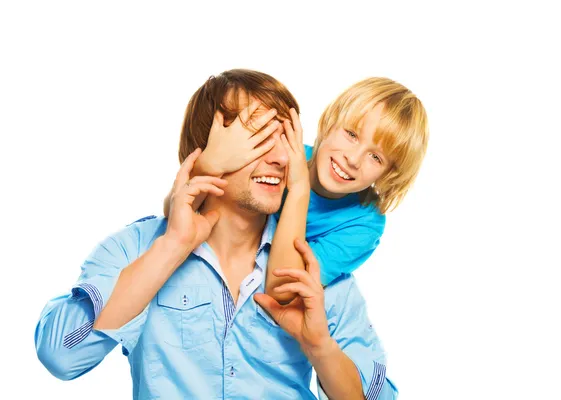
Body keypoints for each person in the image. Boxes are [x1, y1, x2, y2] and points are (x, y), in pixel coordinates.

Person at [35, 69, 398, 399]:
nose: (281, 158)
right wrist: (172, 248)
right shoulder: (140, 247)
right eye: (258, 137)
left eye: (285, 139)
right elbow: (62, 357)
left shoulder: (313, 272)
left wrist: (321, 347)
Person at [163, 74, 429, 304]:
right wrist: (208, 165)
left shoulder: (365, 224)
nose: (353, 159)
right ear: (330, 122)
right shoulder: (282, 155)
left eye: (376, 158)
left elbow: (281, 289)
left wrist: (300, 188)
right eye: (351, 134)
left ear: (389, 174)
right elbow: (173, 216)